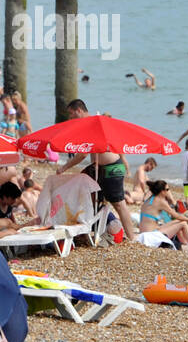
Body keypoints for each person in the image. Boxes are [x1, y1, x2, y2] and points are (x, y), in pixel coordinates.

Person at [57, 98, 137, 243]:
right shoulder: (92, 123)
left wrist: (64, 167)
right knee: (95, 200)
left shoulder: (92, 124)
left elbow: (82, 154)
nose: (70, 118)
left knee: (118, 203)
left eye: (71, 114)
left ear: (79, 110)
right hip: (100, 168)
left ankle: (132, 238)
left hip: (111, 167)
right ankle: (96, 231)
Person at [136, 180, 188, 250]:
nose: (168, 192)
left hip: (145, 232)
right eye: (167, 189)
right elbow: (176, 215)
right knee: (183, 223)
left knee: (178, 222)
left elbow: (172, 217)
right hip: (152, 235)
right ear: (162, 191)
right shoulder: (160, 201)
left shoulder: (150, 199)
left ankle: (185, 243)